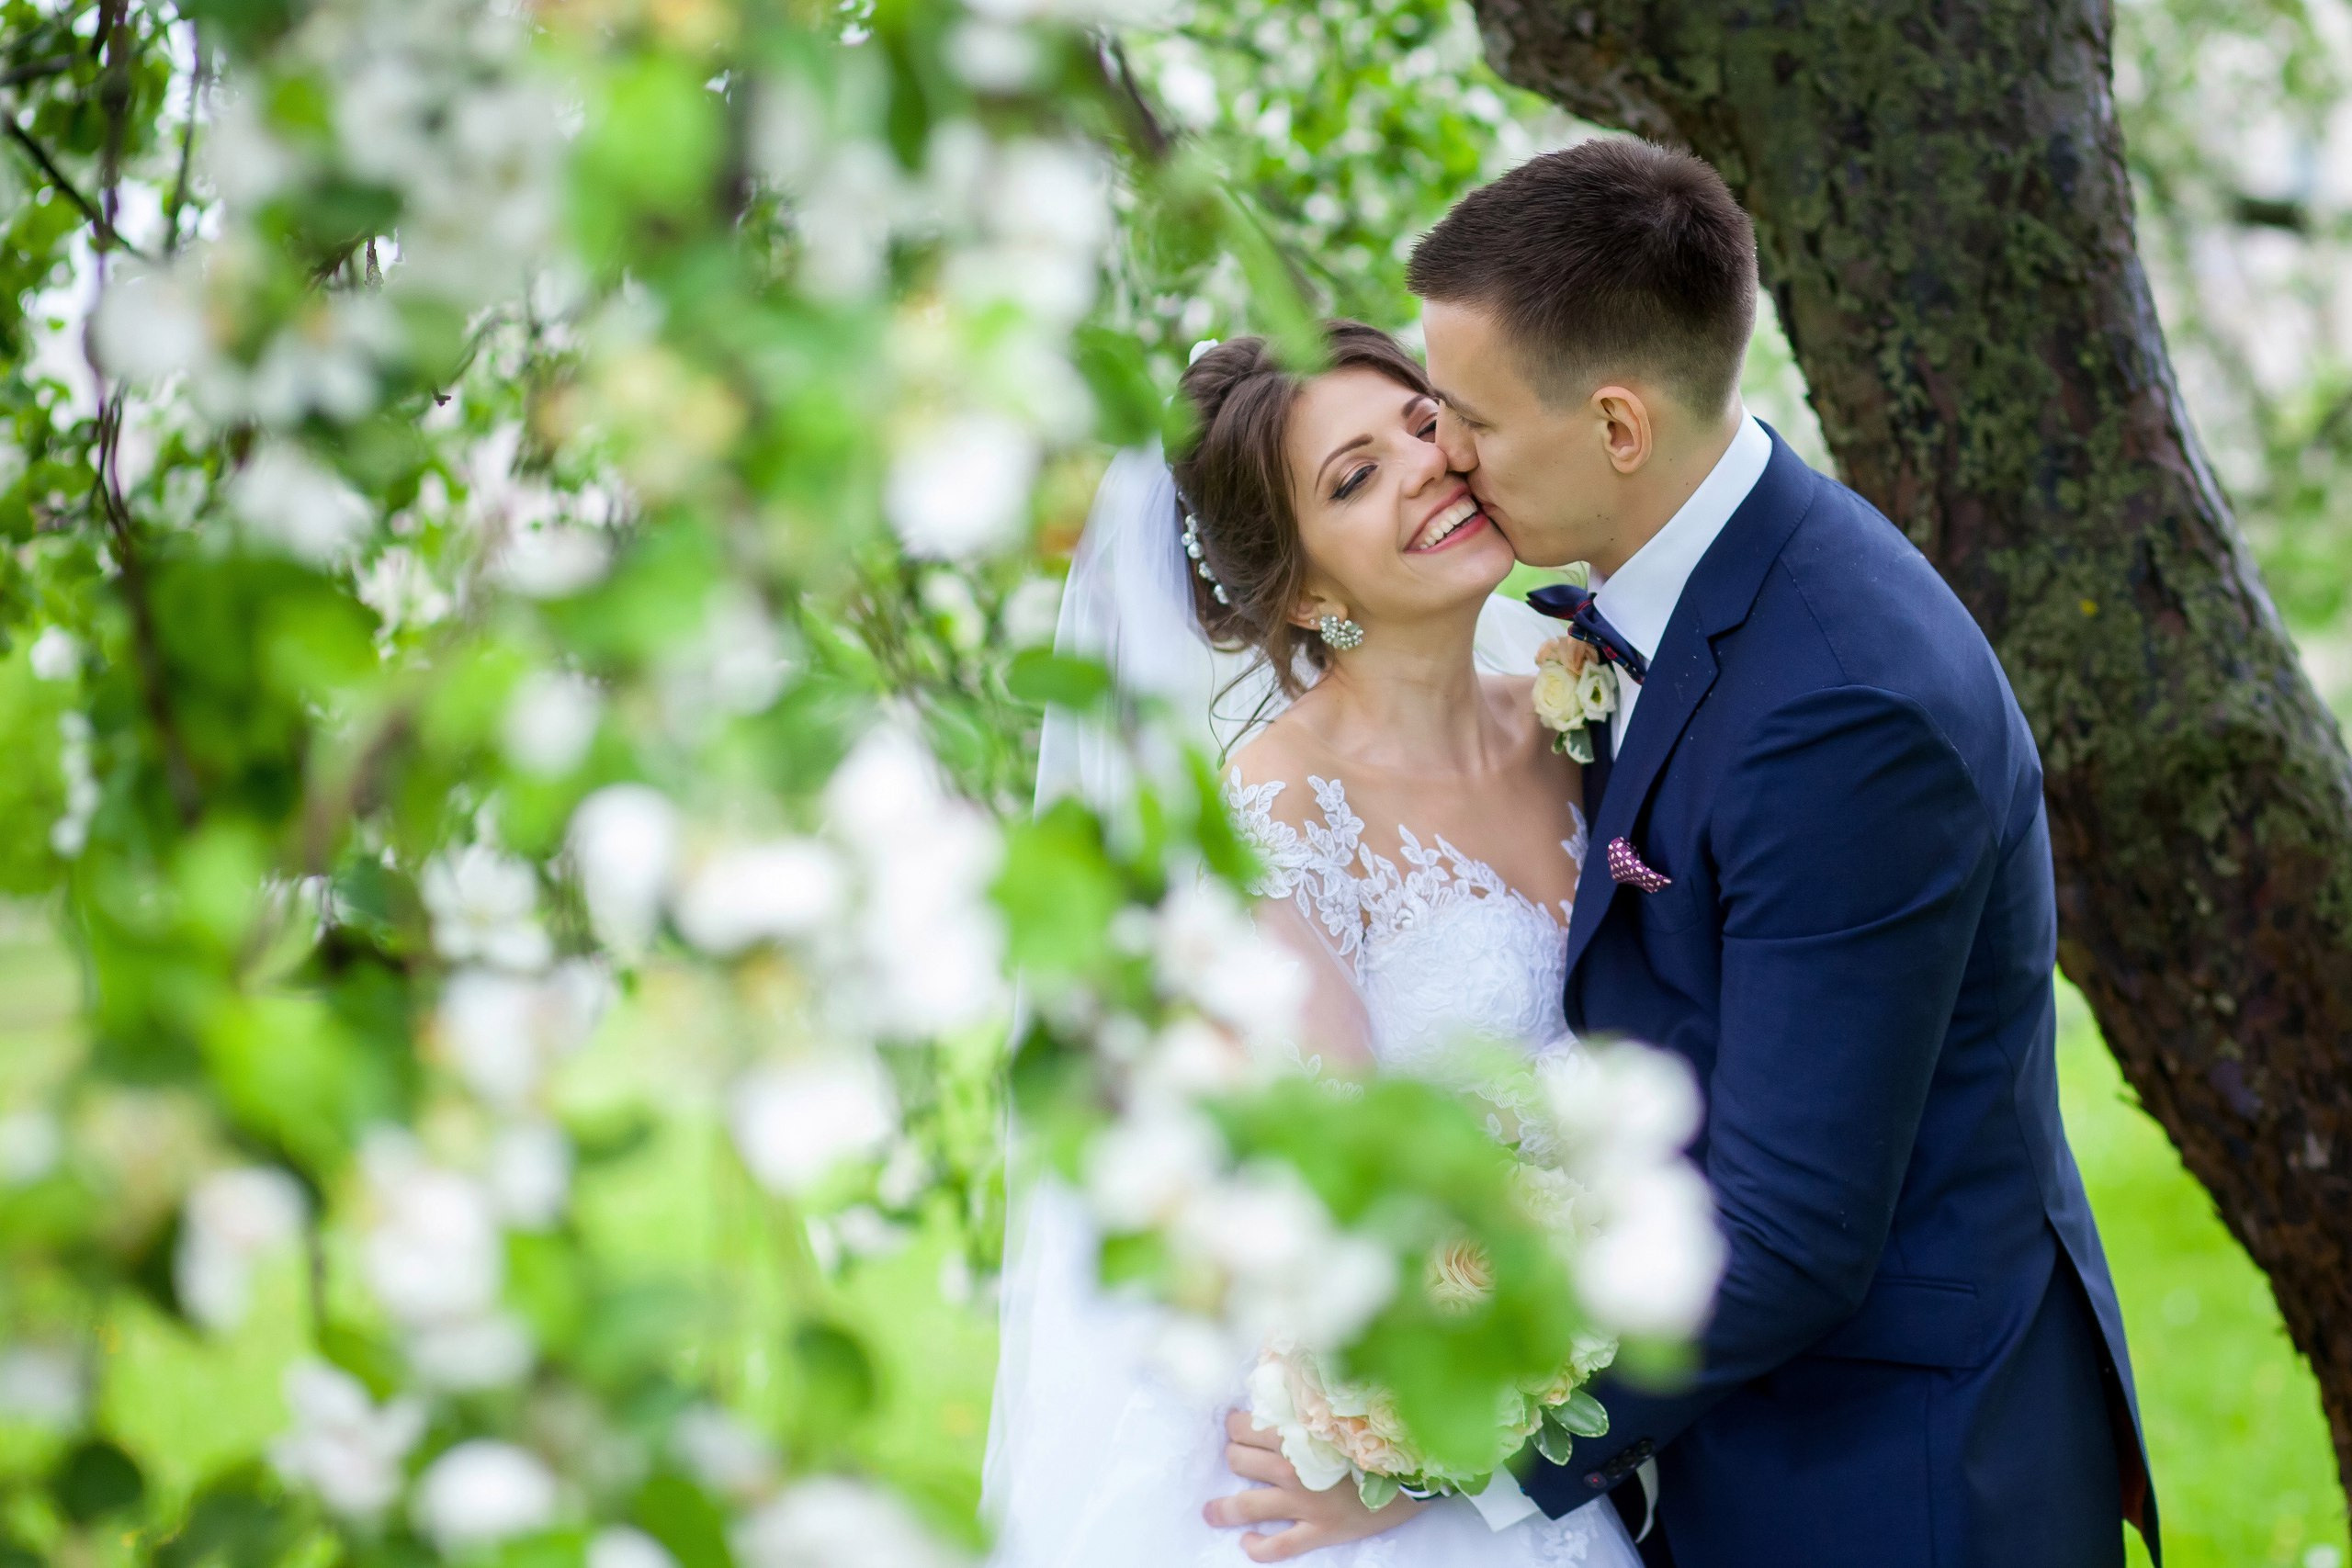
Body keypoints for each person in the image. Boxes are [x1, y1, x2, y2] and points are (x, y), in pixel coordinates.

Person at [1385, 138, 2159, 1568]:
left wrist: (1446, 1455)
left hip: (1895, 1480)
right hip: (1764, 1438)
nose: (1443, 452)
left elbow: (1793, 1233)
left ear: (1619, 426)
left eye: (1467, 416)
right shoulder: (1678, 590)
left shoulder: (1845, 707)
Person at [982, 321, 1646, 1567]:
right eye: (1354, 479)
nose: (1427, 466)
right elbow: (1351, 1231)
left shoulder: (1588, 705)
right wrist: (1438, 1459)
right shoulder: (1275, 822)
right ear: (1301, 592)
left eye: (1421, 421)